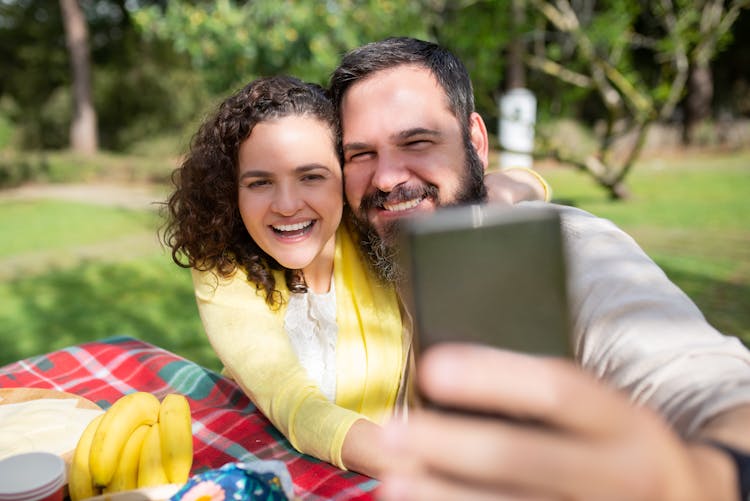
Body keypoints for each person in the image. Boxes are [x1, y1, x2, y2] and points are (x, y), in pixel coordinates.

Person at [329, 37, 750, 500]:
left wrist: (703, 479)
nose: (386, 178)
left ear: (475, 142)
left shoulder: (569, 252)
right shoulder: (360, 259)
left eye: (417, 141)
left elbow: (714, 387)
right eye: (361, 154)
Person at [162, 75, 547, 477]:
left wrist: (495, 197)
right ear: (231, 191)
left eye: (311, 176)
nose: (288, 205)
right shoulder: (224, 265)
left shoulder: (372, 235)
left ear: (344, 177)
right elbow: (293, 402)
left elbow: (526, 181)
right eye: (260, 183)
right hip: (267, 468)